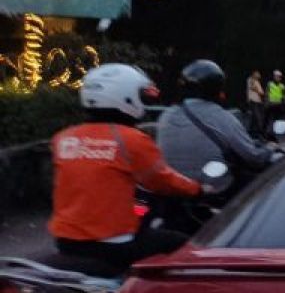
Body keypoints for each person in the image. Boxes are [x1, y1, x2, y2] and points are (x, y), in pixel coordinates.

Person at [49, 64, 203, 272]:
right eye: (141, 95)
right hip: (113, 244)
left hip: (66, 241)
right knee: (186, 244)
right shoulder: (132, 140)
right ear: (126, 96)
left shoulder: (63, 137)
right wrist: (197, 189)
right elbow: (162, 180)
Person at [157, 60, 275, 189]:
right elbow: (253, 158)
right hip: (211, 191)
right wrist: (270, 148)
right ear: (217, 89)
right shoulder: (223, 118)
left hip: (168, 189)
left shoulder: (167, 115)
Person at [245, 70, 265, 139]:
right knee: (258, 117)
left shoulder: (257, 82)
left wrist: (259, 91)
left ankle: (251, 132)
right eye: (258, 74)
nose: (259, 75)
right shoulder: (251, 79)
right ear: (254, 74)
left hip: (258, 101)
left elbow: (262, 92)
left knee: (254, 118)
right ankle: (260, 133)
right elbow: (253, 88)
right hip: (253, 101)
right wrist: (258, 91)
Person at [265, 70, 285, 138]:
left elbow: (283, 95)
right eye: (276, 76)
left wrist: (282, 104)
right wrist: (266, 103)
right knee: (270, 118)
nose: (278, 78)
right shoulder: (270, 84)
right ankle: (269, 131)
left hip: (278, 104)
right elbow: (267, 94)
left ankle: (274, 131)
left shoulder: (282, 86)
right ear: (274, 77)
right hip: (271, 104)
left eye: (279, 77)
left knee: (276, 119)